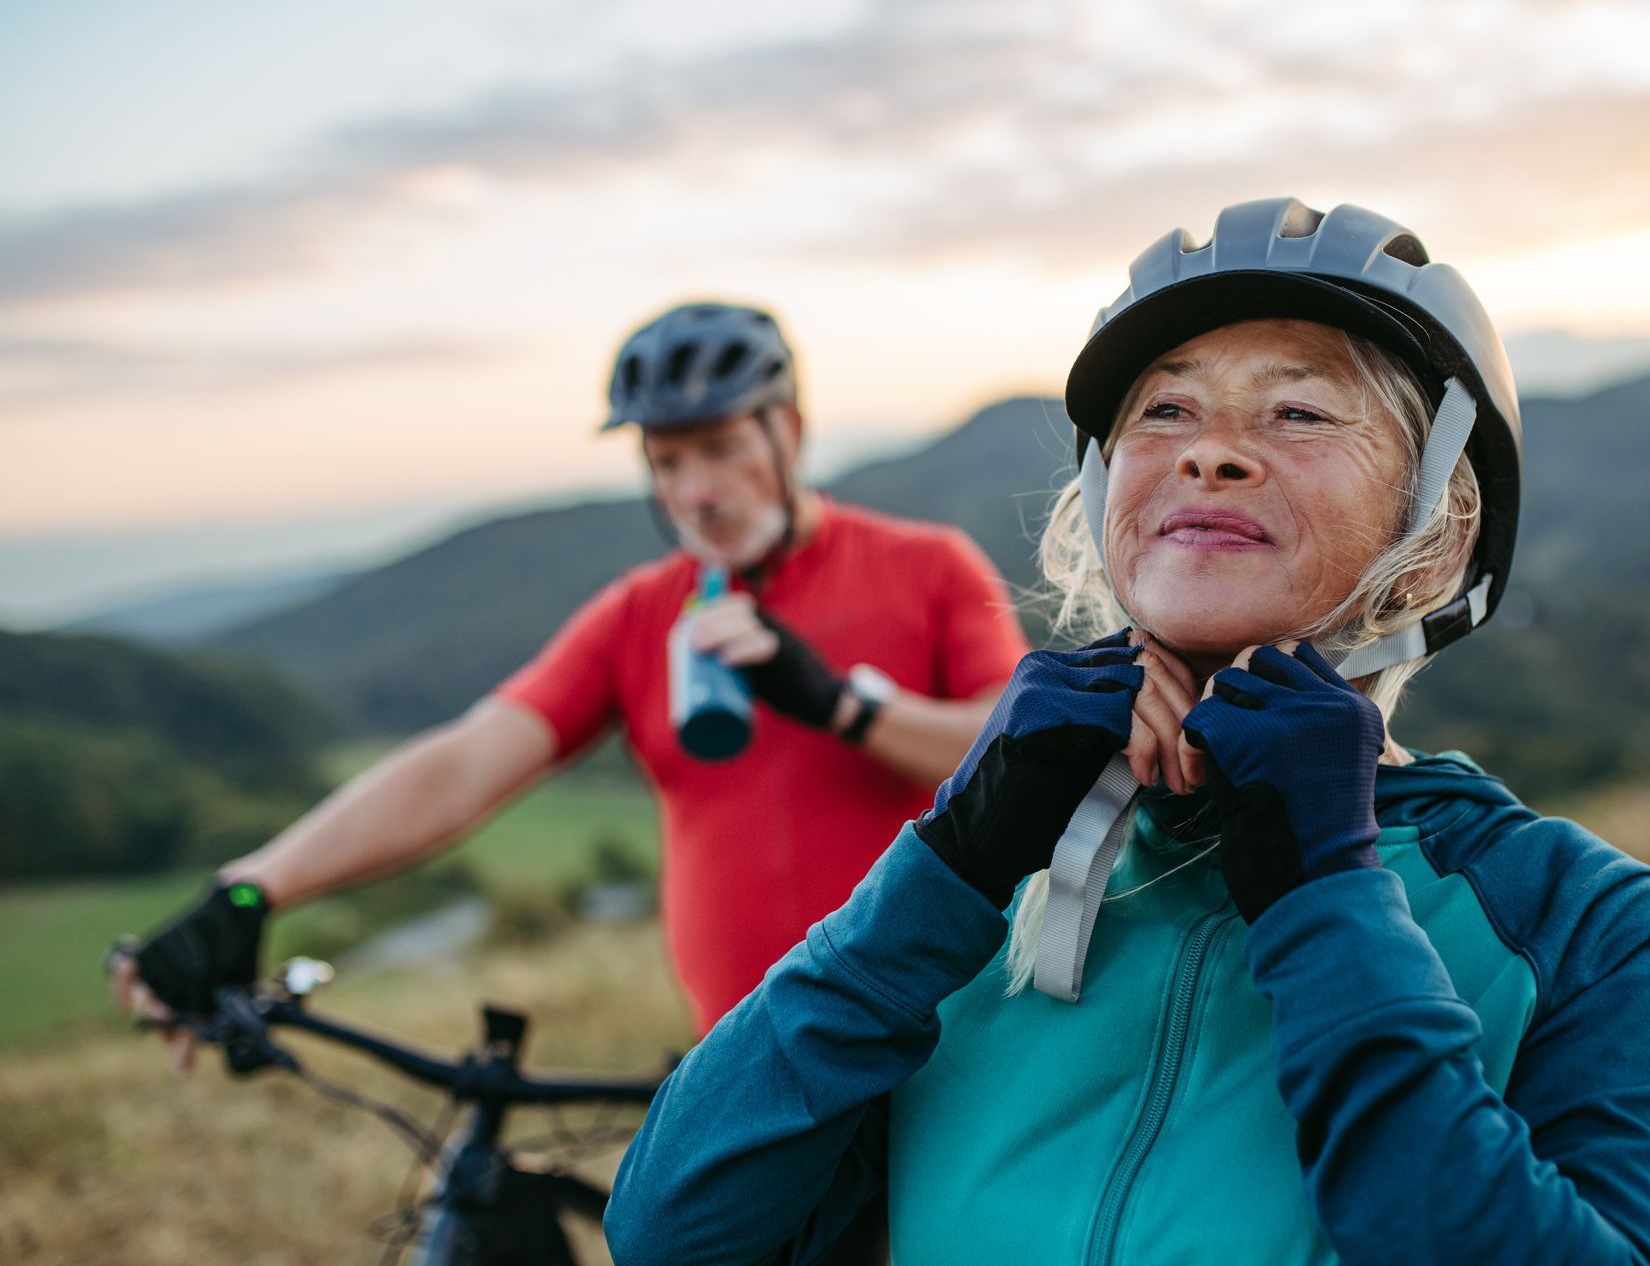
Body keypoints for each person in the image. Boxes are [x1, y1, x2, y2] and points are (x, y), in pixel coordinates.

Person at [603, 201, 1650, 1265]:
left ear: (1437, 523)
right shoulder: (990, 898)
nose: (1210, 452)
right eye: (1164, 412)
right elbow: (672, 1230)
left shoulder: (1572, 914)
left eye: (1300, 412)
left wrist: (1329, 899)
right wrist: (952, 856)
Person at [113, 301, 1029, 1056]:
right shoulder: (641, 614)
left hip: (940, 1041)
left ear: (786, 432)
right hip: (746, 1064)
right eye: (666, 461)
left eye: (718, 448)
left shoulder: (927, 566)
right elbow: (466, 764)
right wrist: (251, 888)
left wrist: (842, 704)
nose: (695, 492)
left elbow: (1018, 746)